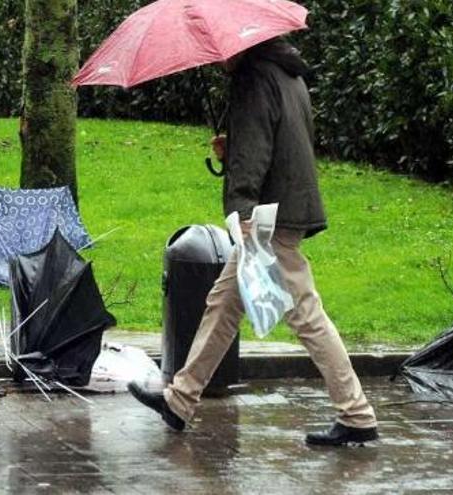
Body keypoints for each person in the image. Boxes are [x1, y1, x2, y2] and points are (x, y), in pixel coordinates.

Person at [128, 37, 378, 446]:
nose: (216, 57)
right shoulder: (286, 72)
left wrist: (241, 209)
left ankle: (356, 413)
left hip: (267, 218)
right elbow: (278, 140)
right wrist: (234, 149)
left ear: (238, 44)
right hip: (284, 206)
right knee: (223, 304)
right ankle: (180, 399)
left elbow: (258, 150)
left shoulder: (254, 78)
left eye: (219, 50)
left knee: (305, 314)